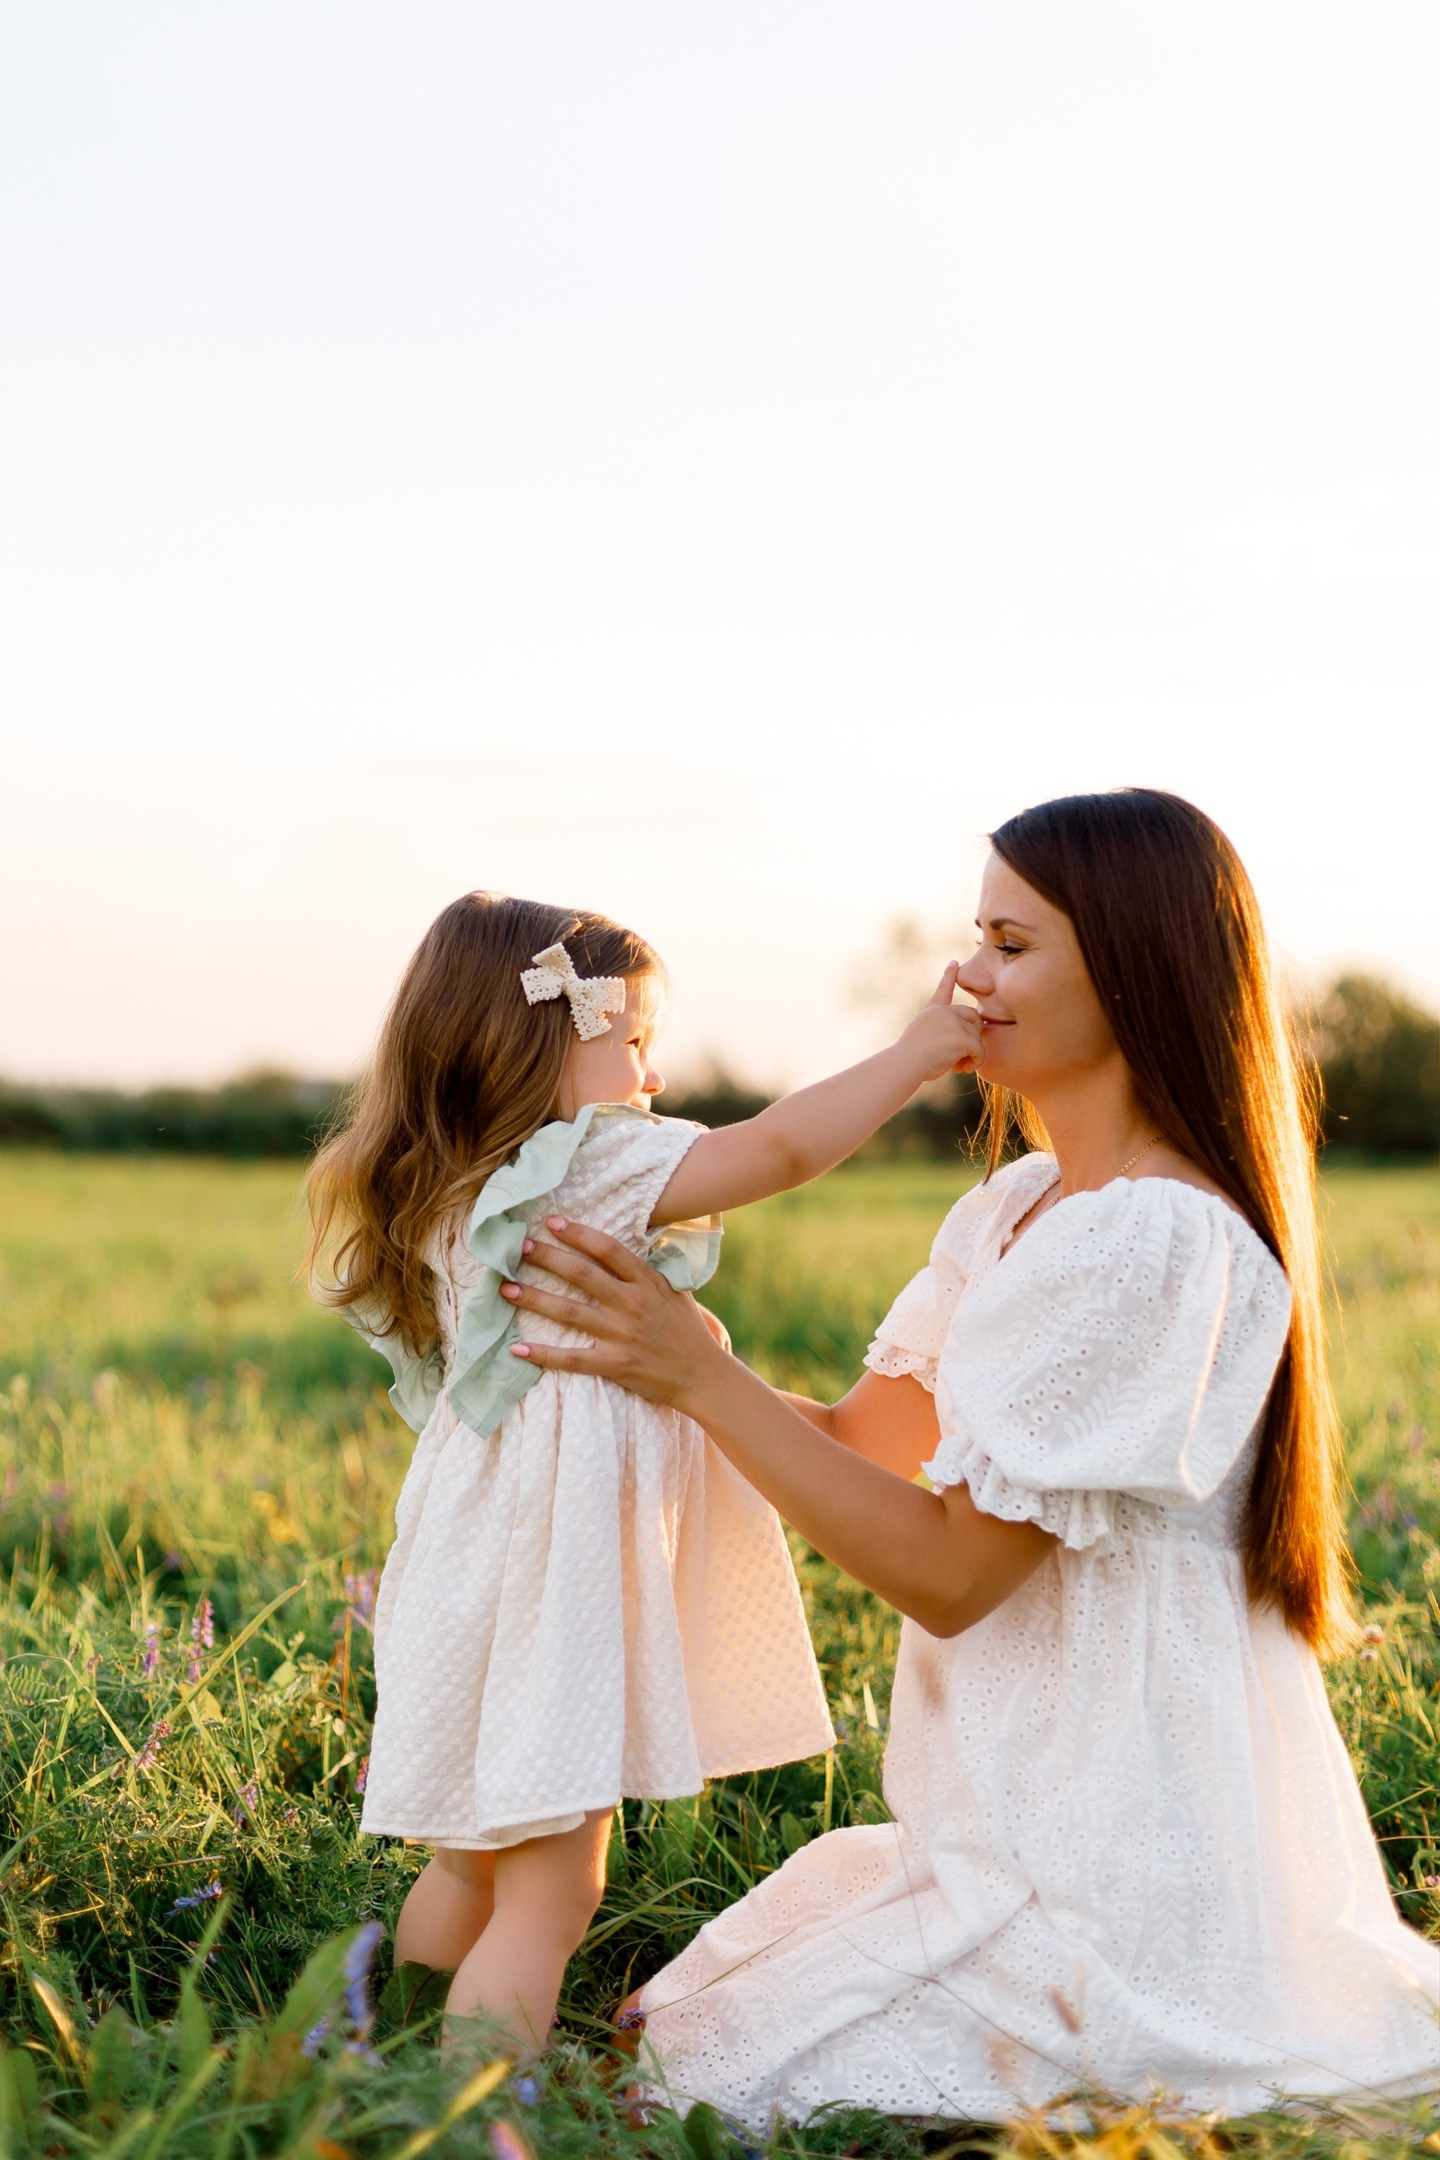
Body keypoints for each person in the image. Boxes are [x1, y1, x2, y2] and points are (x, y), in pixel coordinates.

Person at [503, 791, 1440, 2127]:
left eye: (1010, 943)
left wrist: (696, 1372)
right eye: (974, 937)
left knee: (726, 2083)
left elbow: (952, 1573)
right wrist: (640, 1360)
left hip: (1123, 1852)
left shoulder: (1162, 1241)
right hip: (1002, 1824)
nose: (966, 976)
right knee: (677, 2033)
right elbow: (850, 1446)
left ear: (1130, 969)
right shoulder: (1019, 1206)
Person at [306, 891, 977, 2053]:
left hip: (470, 1575)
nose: (653, 1075)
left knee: (470, 1866)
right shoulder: (586, 1163)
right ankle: (472, 2104)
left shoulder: (455, 1182)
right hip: (555, 1594)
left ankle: (390, 2051)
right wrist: (917, 1055)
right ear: (544, 1044)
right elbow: (776, 1149)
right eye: (634, 1043)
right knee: (553, 1891)